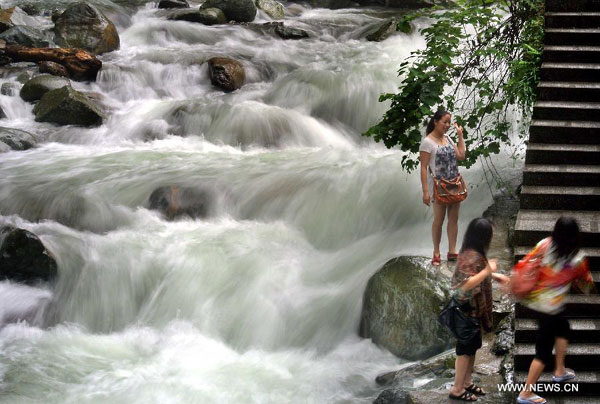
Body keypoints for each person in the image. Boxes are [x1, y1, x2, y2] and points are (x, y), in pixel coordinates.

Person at [516, 217, 595, 404]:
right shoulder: (577, 259)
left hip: (536, 302)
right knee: (542, 353)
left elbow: (527, 261)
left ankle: (560, 371)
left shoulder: (544, 244)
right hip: (550, 309)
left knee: (564, 328)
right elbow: (586, 285)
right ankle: (526, 393)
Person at [449, 217, 510, 402]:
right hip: (466, 312)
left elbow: (479, 273)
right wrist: (487, 271)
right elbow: (465, 285)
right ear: (482, 237)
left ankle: (466, 382)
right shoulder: (470, 257)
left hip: (474, 312)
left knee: (473, 348)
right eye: (489, 234)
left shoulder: (474, 253)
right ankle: (457, 389)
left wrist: (495, 275)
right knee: (464, 351)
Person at [419, 110, 466, 266]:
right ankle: (436, 252)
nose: (447, 126)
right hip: (439, 187)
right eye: (445, 122)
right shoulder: (427, 142)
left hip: (454, 184)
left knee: (454, 219)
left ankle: (452, 251)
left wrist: (460, 135)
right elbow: (424, 168)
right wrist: (425, 192)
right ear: (436, 122)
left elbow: (461, 156)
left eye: (449, 123)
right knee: (438, 220)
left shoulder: (448, 139)